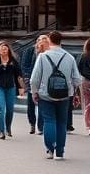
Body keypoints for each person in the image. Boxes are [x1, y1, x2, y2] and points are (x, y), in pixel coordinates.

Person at [29, 30, 81, 161]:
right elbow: (77, 79)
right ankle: (60, 151)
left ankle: (50, 149)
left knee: (49, 120)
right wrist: (74, 92)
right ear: (61, 41)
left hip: (45, 94)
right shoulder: (69, 57)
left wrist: (34, 92)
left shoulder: (42, 56)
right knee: (62, 123)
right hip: (64, 95)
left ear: (50, 40)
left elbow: (34, 78)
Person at [0, 40, 24, 140]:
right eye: (1, 49)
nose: (4, 50)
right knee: (1, 108)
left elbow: (19, 74)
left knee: (10, 110)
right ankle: (1, 131)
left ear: (8, 50)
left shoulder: (13, 60)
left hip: (10, 88)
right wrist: (1, 66)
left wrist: (21, 88)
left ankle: (8, 127)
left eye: (5, 48)